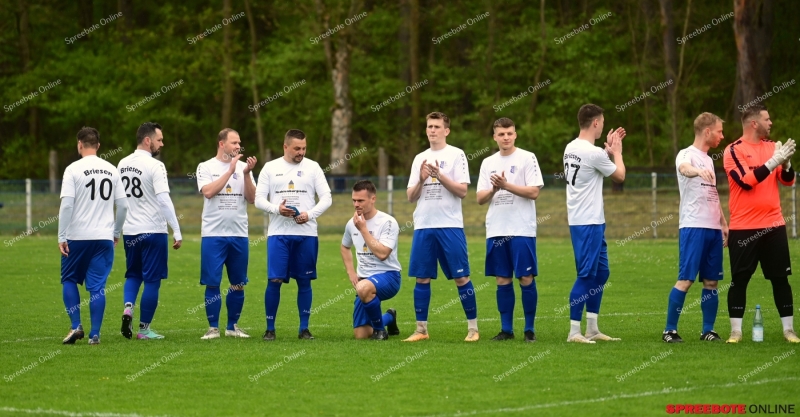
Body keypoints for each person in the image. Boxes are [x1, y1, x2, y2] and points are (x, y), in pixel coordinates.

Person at [723, 104, 797, 343]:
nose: (771, 123)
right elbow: (746, 182)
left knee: (780, 279)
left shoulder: (772, 147)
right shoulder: (733, 150)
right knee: (740, 280)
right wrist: (774, 162)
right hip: (743, 227)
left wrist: (786, 165)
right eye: (767, 119)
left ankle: (789, 330)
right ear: (754, 123)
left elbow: (788, 181)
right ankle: (736, 332)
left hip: (773, 225)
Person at [404, 112, 478, 342]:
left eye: (437, 126)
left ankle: (473, 329)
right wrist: (422, 178)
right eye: (429, 126)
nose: (432, 130)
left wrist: (440, 175)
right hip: (424, 226)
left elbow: (463, 191)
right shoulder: (420, 158)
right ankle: (421, 330)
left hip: (450, 226)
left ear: (446, 130)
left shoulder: (457, 154)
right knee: (422, 278)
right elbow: (410, 197)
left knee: (461, 278)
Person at [255, 129, 332, 341]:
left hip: (306, 234)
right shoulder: (270, 167)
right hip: (279, 234)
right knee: (275, 280)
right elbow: (258, 199)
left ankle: (304, 329)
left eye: (304, 148)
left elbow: (327, 197)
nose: (301, 152)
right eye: (297, 148)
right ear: (285, 147)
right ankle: (270, 329)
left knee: (304, 281)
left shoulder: (313, 167)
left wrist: (309, 214)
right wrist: (276, 209)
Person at [662, 113, 729, 343]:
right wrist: (697, 171)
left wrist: (723, 223)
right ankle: (669, 330)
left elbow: (712, 193)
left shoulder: (709, 160)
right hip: (693, 226)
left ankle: (707, 331)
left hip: (712, 229)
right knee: (686, 280)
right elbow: (684, 168)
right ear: (707, 131)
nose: (722, 136)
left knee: (712, 281)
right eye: (719, 131)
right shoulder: (687, 154)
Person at [58, 127, 128, 345]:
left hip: (77, 236)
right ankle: (95, 334)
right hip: (103, 237)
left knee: (69, 279)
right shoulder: (112, 169)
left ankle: (76, 326)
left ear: (79, 144)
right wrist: (116, 232)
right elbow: (123, 206)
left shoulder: (73, 169)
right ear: (98, 146)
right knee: (97, 287)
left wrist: (61, 235)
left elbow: (67, 205)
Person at [563, 104, 626, 344]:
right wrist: (617, 152)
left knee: (601, 272)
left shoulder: (571, 147)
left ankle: (592, 328)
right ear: (596, 123)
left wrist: (606, 152)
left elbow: (592, 167)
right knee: (586, 275)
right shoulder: (593, 153)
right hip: (587, 221)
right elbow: (620, 176)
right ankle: (573, 332)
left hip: (590, 220)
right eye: (602, 123)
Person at [476, 118, 543, 342]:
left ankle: (529, 329)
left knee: (525, 277)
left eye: (509, 133)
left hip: (522, 228)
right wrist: (494, 189)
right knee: (502, 279)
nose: (506, 137)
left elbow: (534, 192)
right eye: (501, 134)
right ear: (494, 137)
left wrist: (506, 185)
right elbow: (480, 198)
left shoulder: (527, 157)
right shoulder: (488, 162)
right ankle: (506, 330)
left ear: (515, 135)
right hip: (497, 229)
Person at [117, 122, 183, 340]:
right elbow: (163, 200)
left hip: (130, 231)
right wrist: (176, 229)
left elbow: (119, 201)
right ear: (148, 140)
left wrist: (117, 230)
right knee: (152, 280)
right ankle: (144, 329)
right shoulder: (156, 166)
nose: (162, 144)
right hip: (153, 231)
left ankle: (128, 307)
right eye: (159, 140)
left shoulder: (122, 163)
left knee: (133, 274)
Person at [196, 128, 257, 340]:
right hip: (213, 234)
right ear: (222, 144)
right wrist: (230, 171)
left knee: (238, 283)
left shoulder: (243, 167)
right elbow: (208, 192)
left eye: (239, 142)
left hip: (239, 234)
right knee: (212, 282)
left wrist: (246, 174)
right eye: (234, 143)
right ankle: (213, 328)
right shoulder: (205, 166)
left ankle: (232, 327)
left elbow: (252, 199)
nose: (238, 146)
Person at [340, 180, 401, 340]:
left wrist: (364, 230)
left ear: (373, 199)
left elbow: (383, 253)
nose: (356, 204)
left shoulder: (388, 222)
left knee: (363, 288)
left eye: (360, 200)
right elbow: (345, 247)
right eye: (354, 200)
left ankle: (380, 331)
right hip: (364, 281)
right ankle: (390, 317)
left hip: (389, 276)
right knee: (361, 335)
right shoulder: (351, 223)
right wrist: (351, 272)